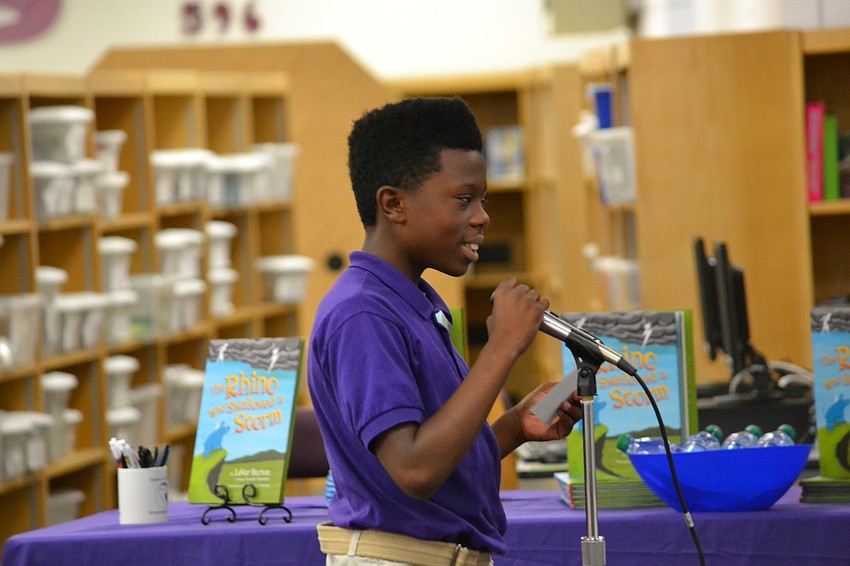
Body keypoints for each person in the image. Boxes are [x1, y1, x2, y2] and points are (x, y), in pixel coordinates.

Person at [308, 96, 583, 566]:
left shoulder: (414, 300)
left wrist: (514, 426)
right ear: (393, 204)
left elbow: (437, 460)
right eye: (462, 199)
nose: (481, 217)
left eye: (483, 199)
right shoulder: (363, 314)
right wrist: (502, 348)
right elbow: (414, 470)